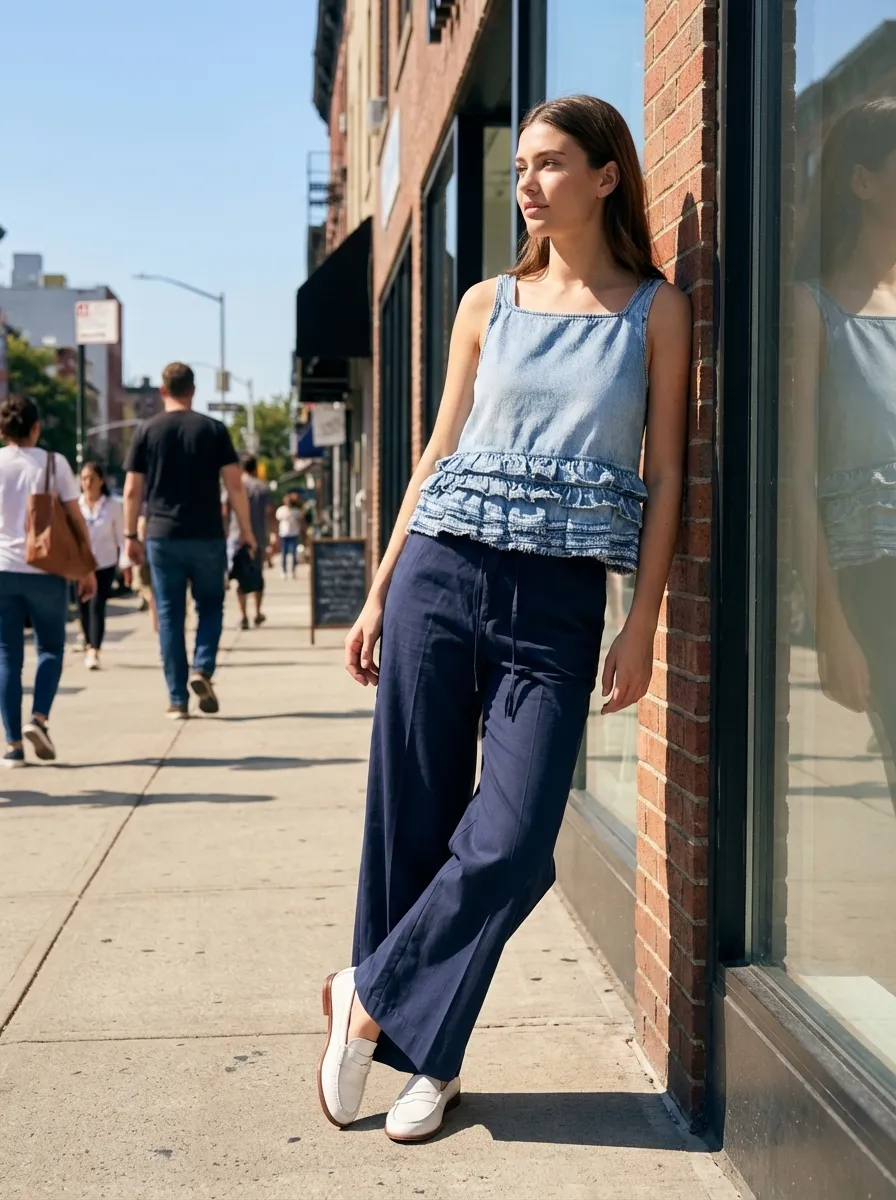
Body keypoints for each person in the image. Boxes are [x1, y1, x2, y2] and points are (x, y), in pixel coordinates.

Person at [317, 94, 691, 1142]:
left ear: (607, 174)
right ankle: (424, 1061)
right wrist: (384, 583)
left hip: (561, 599)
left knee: (517, 840)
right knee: (413, 822)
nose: (524, 184)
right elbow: (435, 452)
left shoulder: (655, 312)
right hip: (442, 570)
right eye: (519, 166)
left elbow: (665, 479)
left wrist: (642, 622)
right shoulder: (487, 301)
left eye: (549, 164)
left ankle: (368, 991)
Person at [792, 99, 896, 811]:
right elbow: (796, 481)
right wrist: (829, 622)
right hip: (875, 586)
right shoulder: (812, 309)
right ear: (863, 181)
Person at [123, 362, 256, 720]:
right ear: (193, 390)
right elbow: (234, 485)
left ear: (162, 391)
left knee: (169, 615)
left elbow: (133, 489)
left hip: (162, 536)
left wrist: (129, 536)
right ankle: (203, 668)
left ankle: (177, 699)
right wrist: (246, 530)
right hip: (208, 534)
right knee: (211, 606)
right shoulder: (213, 429)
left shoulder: (147, 431)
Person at [0, 395, 97, 766]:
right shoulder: (54, 464)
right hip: (46, 570)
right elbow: (75, 518)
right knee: (51, 649)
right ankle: (38, 719)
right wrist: (87, 568)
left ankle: (12, 746)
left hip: (2, 571)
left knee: (7, 655)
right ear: (36, 427)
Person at [78, 461, 124, 671]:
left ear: (101, 481)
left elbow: (121, 537)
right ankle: (88, 641)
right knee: (83, 607)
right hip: (79, 565)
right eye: (84, 478)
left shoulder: (113, 506)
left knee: (97, 605)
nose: (87, 483)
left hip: (104, 563)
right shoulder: (75, 505)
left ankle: (94, 649)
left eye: (92, 478)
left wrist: (126, 564)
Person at [226, 454, 272, 630]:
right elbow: (269, 513)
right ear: (255, 468)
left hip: (236, 537)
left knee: (239, 576)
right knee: (257, 575)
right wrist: (272, 537)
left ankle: (243, 615)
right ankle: (257, 612)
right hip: (258, 537)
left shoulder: (234, 486)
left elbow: (224, 510)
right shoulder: (262, 488)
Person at [275, 492, 303, 578]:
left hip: (294, 534)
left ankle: (293, 570)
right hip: (284, 534)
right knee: (283, 553)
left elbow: (302, 520)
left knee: (294, 553)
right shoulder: (281, 510)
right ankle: (284, 570)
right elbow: (276, 520)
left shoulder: (296, 511)